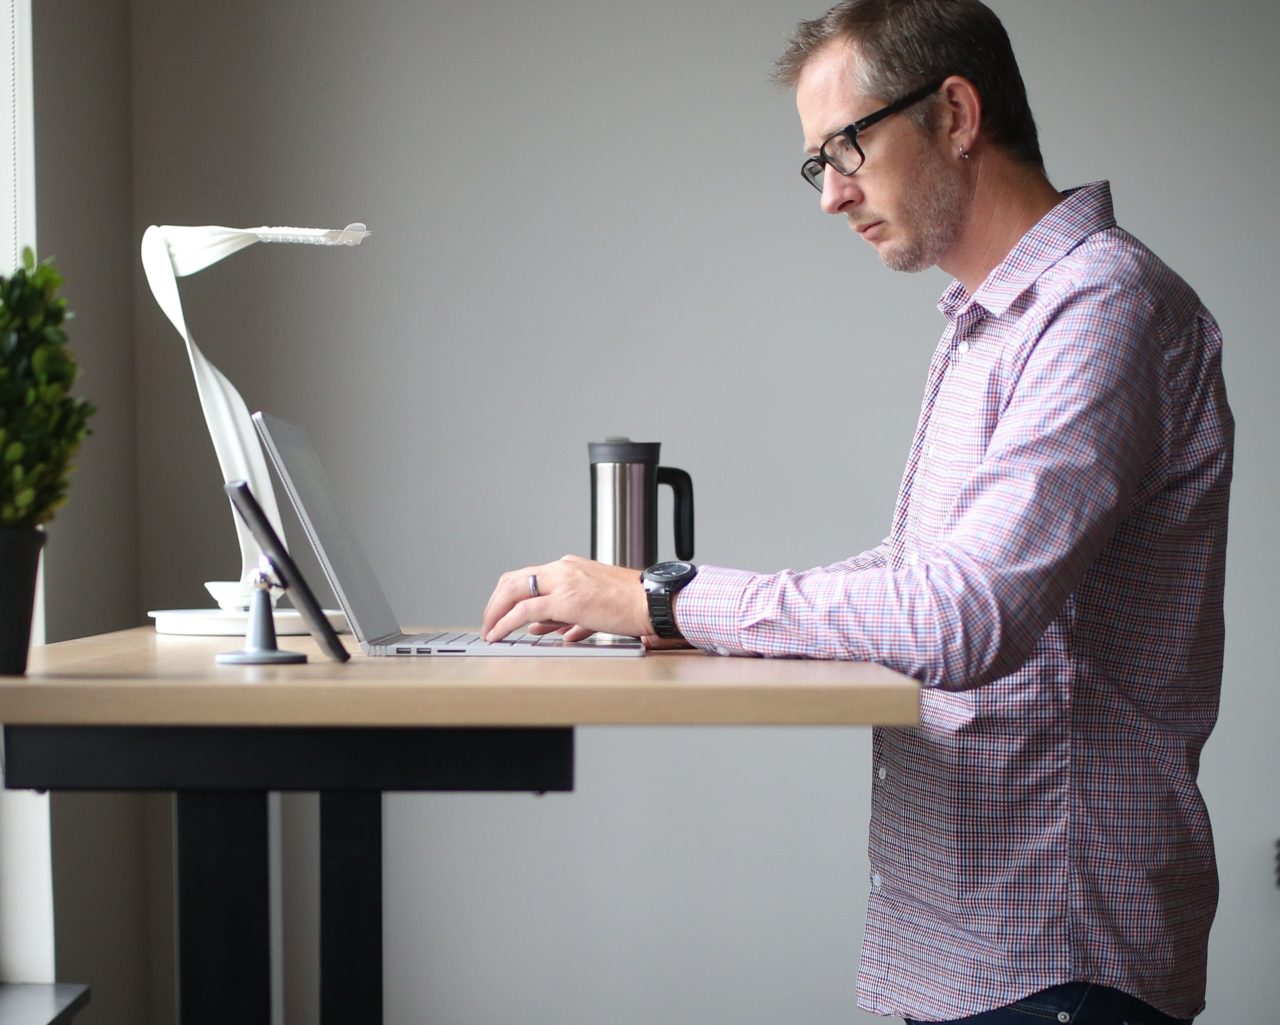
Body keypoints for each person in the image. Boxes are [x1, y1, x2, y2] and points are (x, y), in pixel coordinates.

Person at [481, 1, 1233, 1021]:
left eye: (844, 147)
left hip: (1055, 950)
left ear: (954, 113)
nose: (829, 194)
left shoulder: (1100, 308)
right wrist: (655, 607)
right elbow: (913, 575)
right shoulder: (989, 322)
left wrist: (661, 597)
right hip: (975, 941)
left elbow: (960, 614)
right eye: (815, 163)